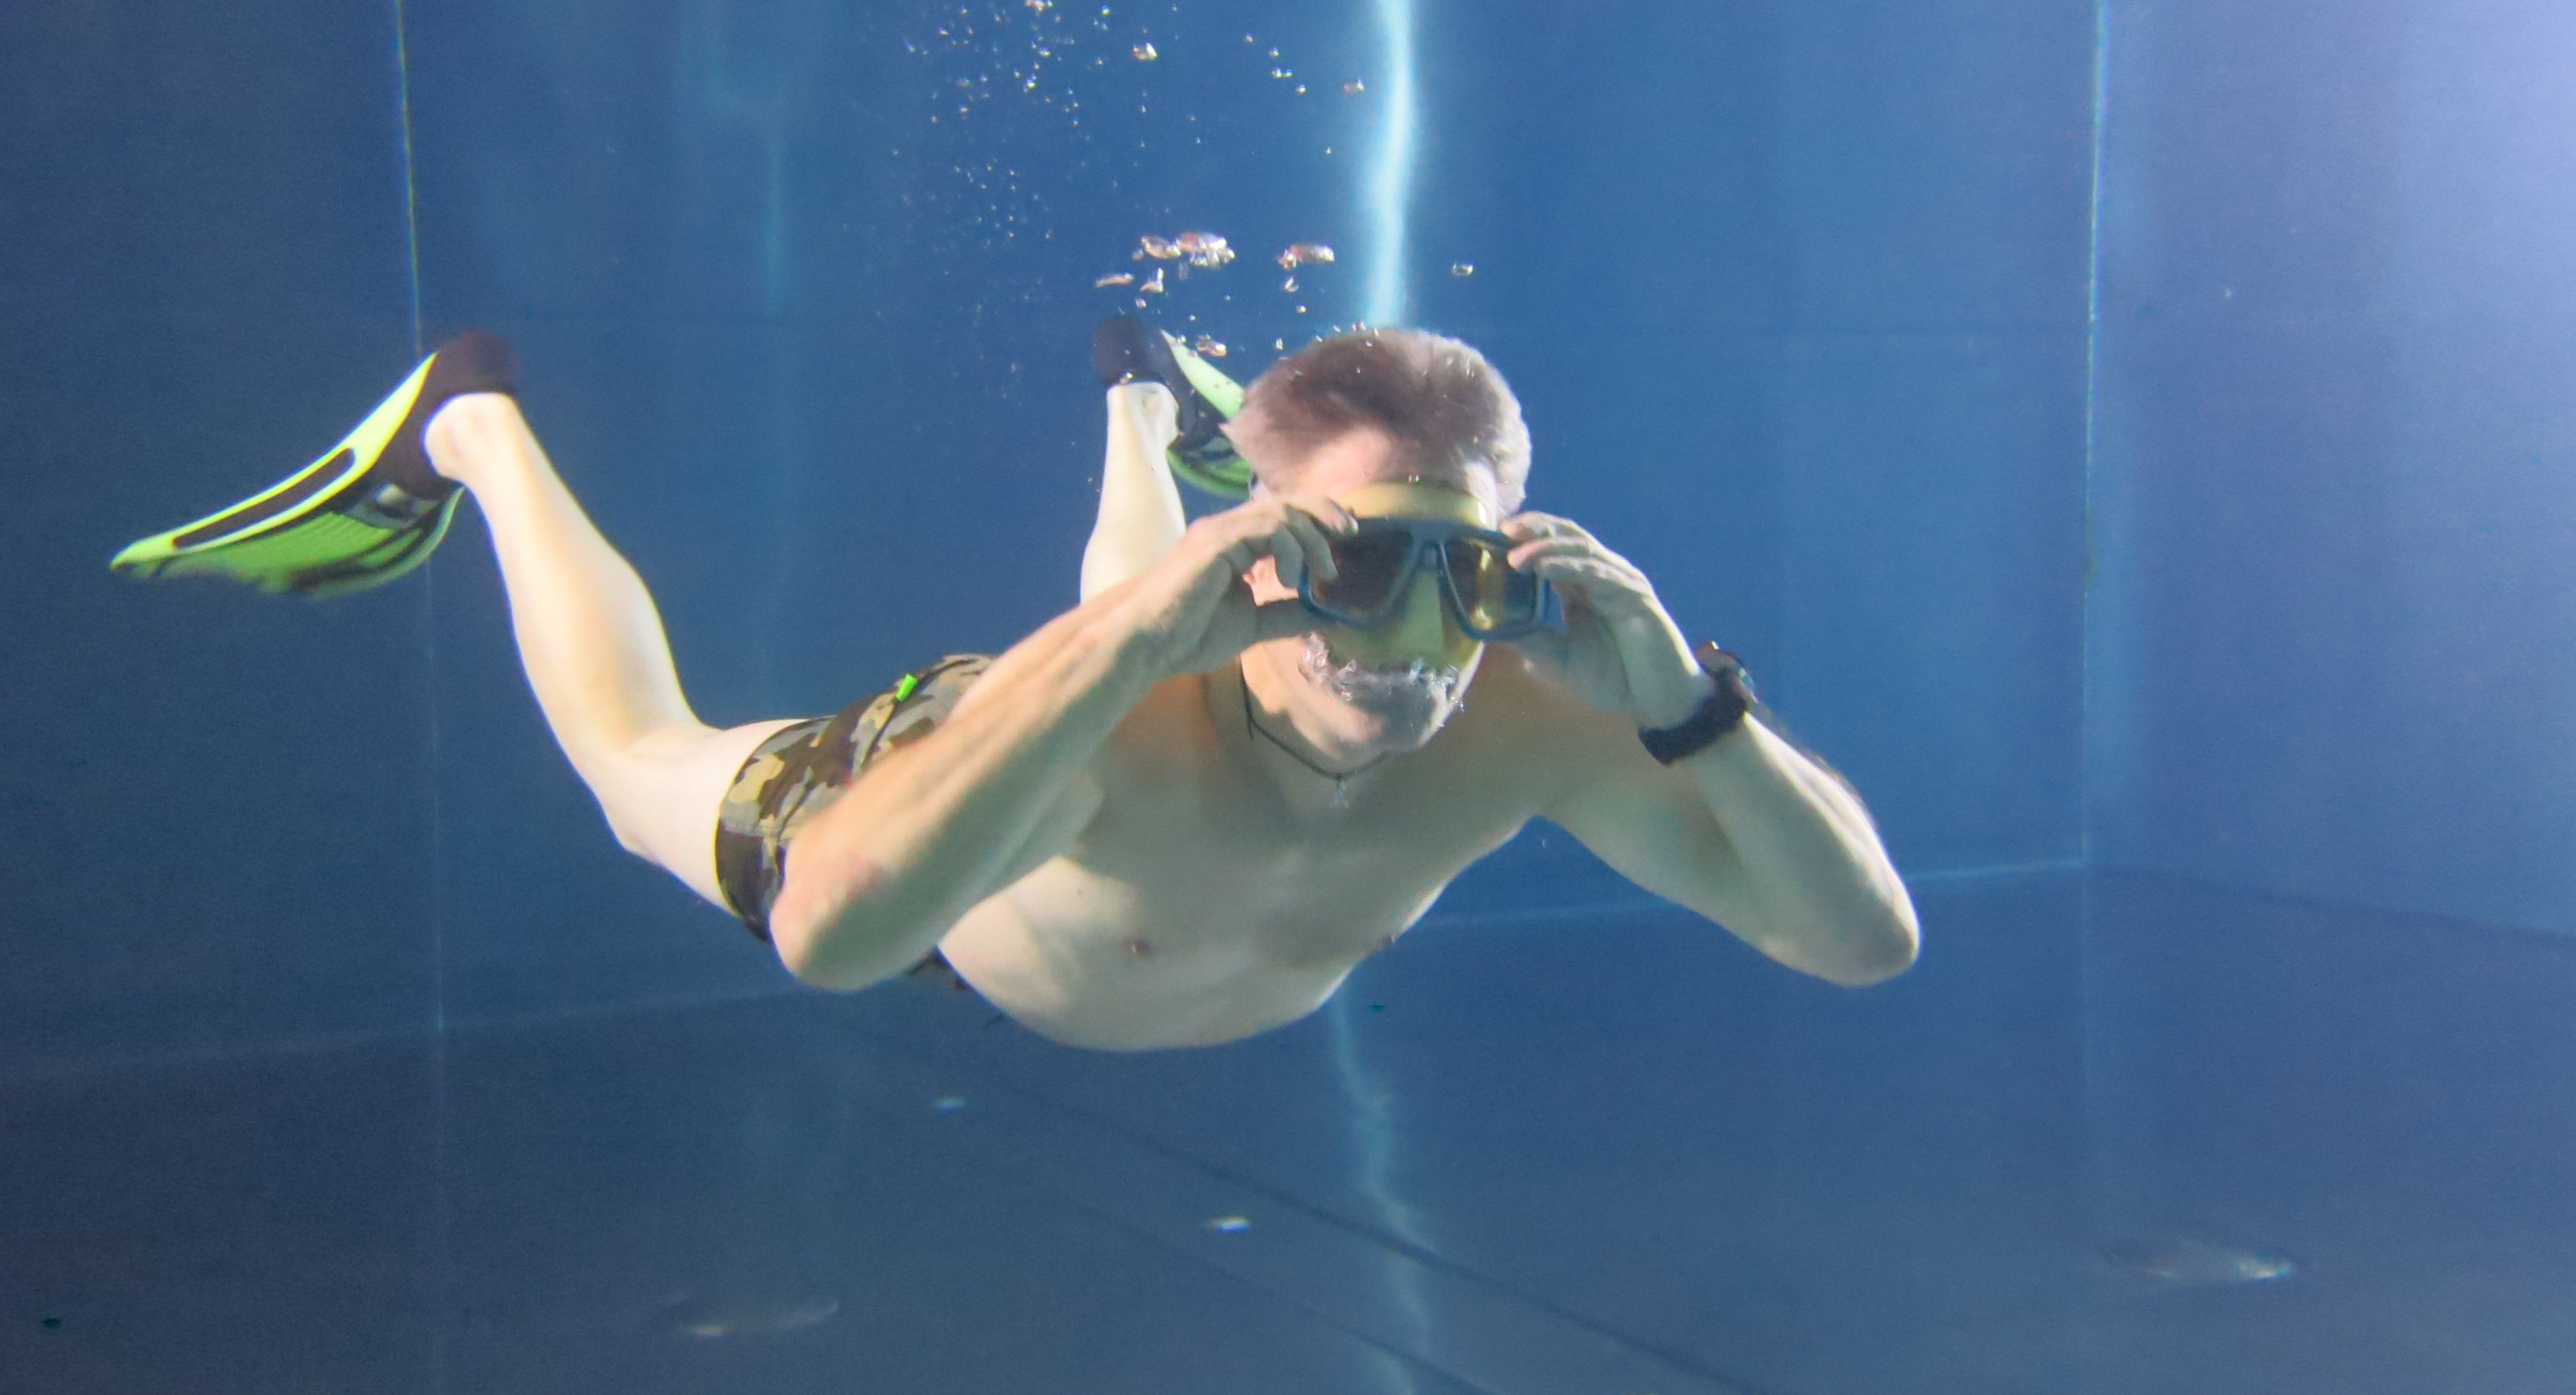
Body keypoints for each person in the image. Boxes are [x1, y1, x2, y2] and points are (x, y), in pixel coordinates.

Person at [112, 319, 1919, 1050]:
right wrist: (1141, 633)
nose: (1410, 638)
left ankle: (1139, 393)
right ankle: (472, 429)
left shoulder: (1541, 713)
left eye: (1464, 574)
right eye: (1353, 565)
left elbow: (1860, 943)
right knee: (627, 756)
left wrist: (1689, 702)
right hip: (942, 793)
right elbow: (833, 942)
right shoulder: (1115, 707)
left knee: (1143, 596)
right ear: (1267, 557)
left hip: (1161, 647)